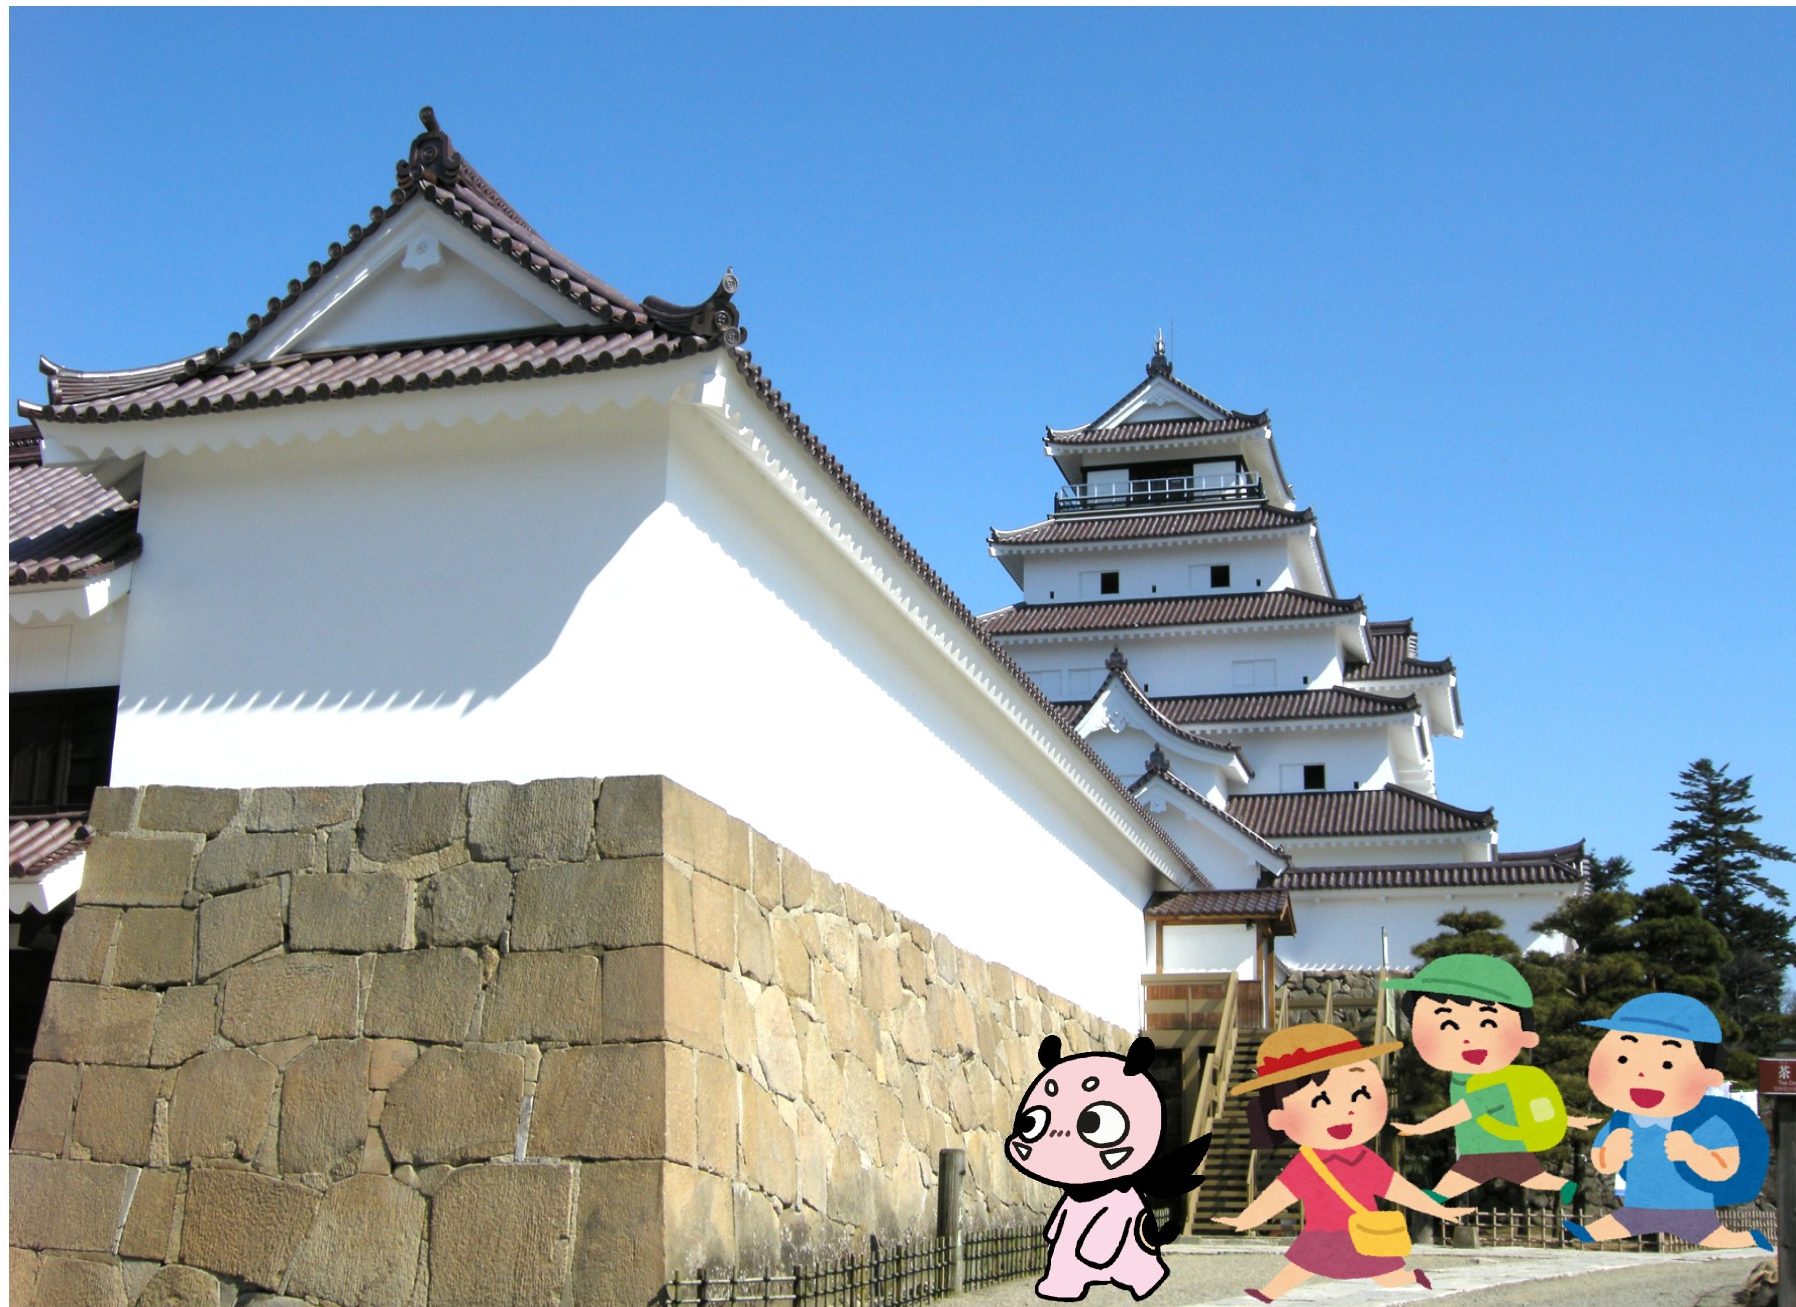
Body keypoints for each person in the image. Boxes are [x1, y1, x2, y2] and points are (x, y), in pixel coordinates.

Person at [1213, 1024, 1473, 1302]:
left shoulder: (1361, 1159)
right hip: (1322, 1232)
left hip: (1362, 1230)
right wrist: (1247, 1218)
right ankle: (1268, 1293)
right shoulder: (1308, 1161)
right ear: (1277, 1118)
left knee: (1381, 1275)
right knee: (1301, 1266)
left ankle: (1413, 1277)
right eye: (1320, 1101)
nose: (1345, 1110)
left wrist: (1437, 1209)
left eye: (1359, 1095)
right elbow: (1278, 1194)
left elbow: (1397, 1189)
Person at [1384, 955, 1599, 1204]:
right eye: (1449, 1025)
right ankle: (1561, 1184)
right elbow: (1525, 1107)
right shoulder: (1465, 1076)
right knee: (1520, 1176)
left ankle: (1437, 1197)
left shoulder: (1492, 1083)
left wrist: (1421, 1128)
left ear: (1526, 1036)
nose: (1467, 1038)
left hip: (1496, 1147)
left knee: (1485, 1173)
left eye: (1487, 1023)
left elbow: (1464, 1110)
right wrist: (1568, 1120)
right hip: (1484, 1147)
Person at [1566, 993, 1772, 1252]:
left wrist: (1693, 1153)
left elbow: (1724, 1167)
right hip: (1640, 1205)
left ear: (1710, 1076)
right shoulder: (1624, 1118)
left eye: (1666, 1064)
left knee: (1714, 1237)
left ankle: (1751, 1239)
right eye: (1623, 1059)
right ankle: (1585, 1235)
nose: (1642, 1073)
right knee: (1618, 1223)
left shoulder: (1703, 1121)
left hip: (1690, 1208)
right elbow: (1602, 1162)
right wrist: (1611, 1152)